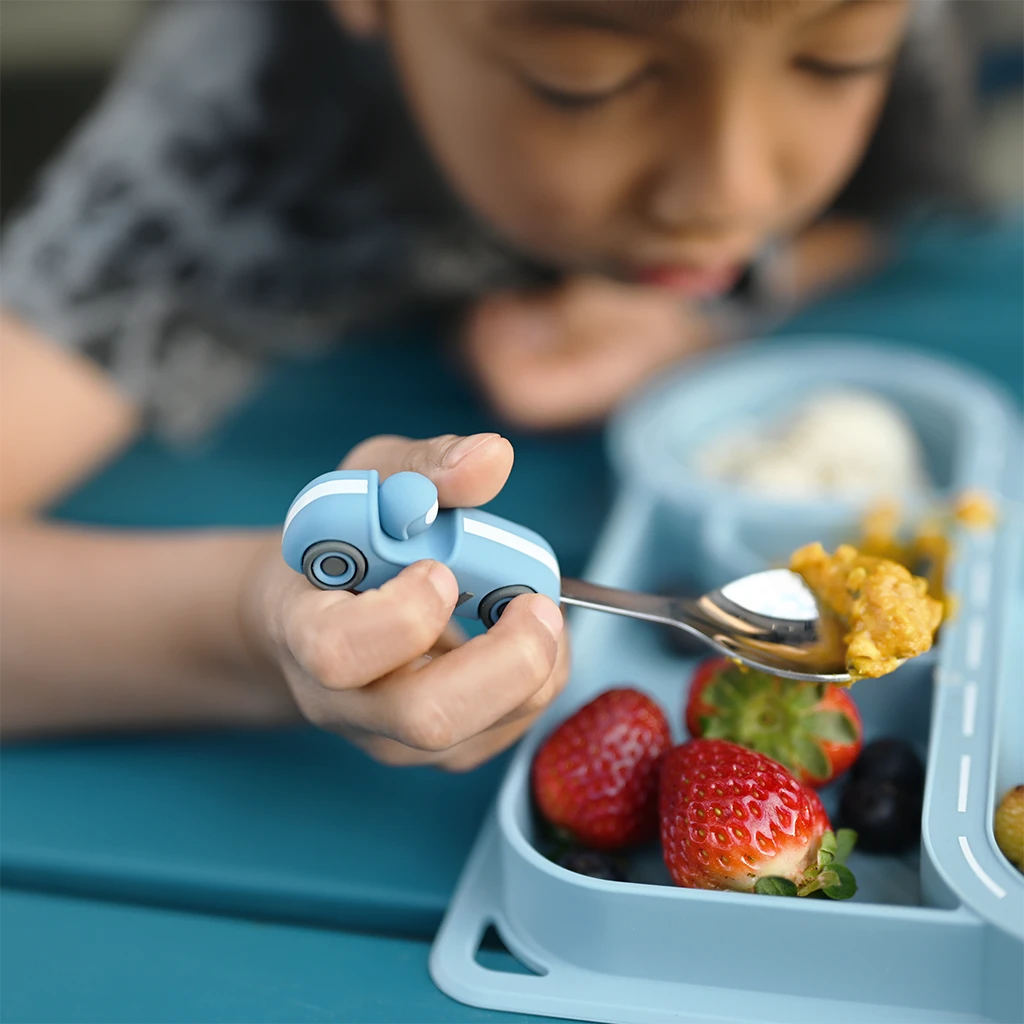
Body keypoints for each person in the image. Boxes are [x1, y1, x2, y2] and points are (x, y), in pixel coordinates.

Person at [0, 0, 977, 765]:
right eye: (587, 81)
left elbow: (882, 202)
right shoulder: (236, 108)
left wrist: (700, 300)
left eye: (833, 63)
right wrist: (257, 623)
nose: (730, 195)